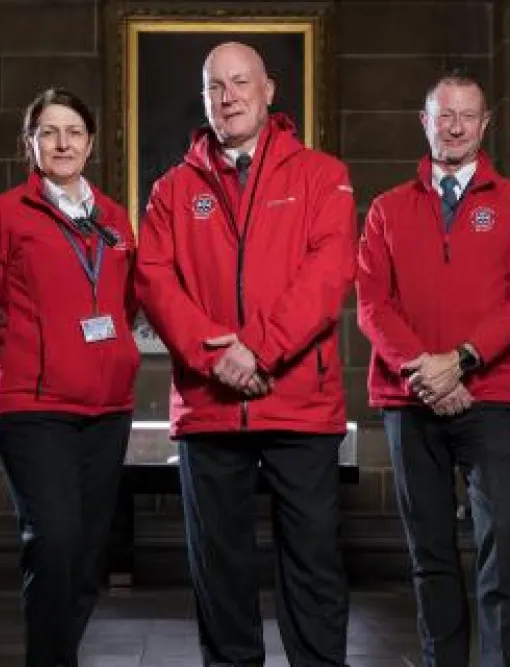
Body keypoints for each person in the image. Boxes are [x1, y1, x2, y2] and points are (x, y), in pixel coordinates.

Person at [134, 41, 356, 667]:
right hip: (209, 405)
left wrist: (257, 349)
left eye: (239, 83)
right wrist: (217, 359)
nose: (227, 97)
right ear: (204, 98)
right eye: (215, 87)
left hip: (298, 402)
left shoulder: (323, 175)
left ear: (269, 90)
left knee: (312, 564)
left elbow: (327, 273)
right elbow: (154, 280)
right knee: (220, 569)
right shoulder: (173, 189)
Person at [356, 68, 510, 667]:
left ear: (485, 123)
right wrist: (424, 372)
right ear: (425, 122)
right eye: (445, 115)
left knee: (502, 542)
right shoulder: (387, 209)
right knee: (430, 549)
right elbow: (370, 303)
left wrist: (460, 362)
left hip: (487, 395)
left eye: (468, 115)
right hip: (408, 397)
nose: (457, 126)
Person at [0, 88, 139, 667]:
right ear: (30, 143)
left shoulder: (113, 217)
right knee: (54, 543)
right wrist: (18, 370)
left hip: (107, 410)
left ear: (90, 143)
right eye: (48, 132)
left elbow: (125, 305)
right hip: (34, 412)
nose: (62, 143)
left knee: (85, 556)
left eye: (74, 132)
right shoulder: (3, 214)